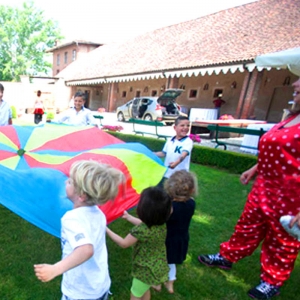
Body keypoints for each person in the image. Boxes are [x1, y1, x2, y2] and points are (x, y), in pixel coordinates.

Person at [198, 78, 300, 300]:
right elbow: (278, 150)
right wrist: (255, 168)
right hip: (264, 187)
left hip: (291, 196)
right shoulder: (291, 118)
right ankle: (227, 257)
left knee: (281, 240)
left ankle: (272, 281)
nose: (295, 84)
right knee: (247, 226)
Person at [34, 160, 125, 300]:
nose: (65, 182)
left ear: (82, 196)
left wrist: (55, 269)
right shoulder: (98, 213)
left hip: (80, 292)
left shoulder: (71, 219)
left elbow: (86, 249)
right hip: (99, 286)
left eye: (70, 182)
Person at [106, 186, 172, 300]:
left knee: (135, 294)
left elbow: (124, 243)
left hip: (144, 270)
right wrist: (129, 217)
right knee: (144, 289)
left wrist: (106, 229)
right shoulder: (161, 224)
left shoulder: (141, 231)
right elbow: (144, 224)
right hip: (157, 265)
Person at [164, 170, 197, 294]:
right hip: (181, 238)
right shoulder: (192, 203)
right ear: (191, 190)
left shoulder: (170, 207)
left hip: (167, 239)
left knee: (162, 260)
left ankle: (156, 283)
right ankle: (170, 283)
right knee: (171, 261)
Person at [154, 116, 193, 186]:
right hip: (166, 173)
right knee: (160, 192)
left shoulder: (188, 142)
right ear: (175, 128)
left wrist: (176, 163)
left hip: (179, 176)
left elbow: (183, 155)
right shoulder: (170, 140)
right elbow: (163, 153)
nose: (185, 128)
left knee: (174, 194)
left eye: (188, 125)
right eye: (182, 125)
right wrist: (151, 153)